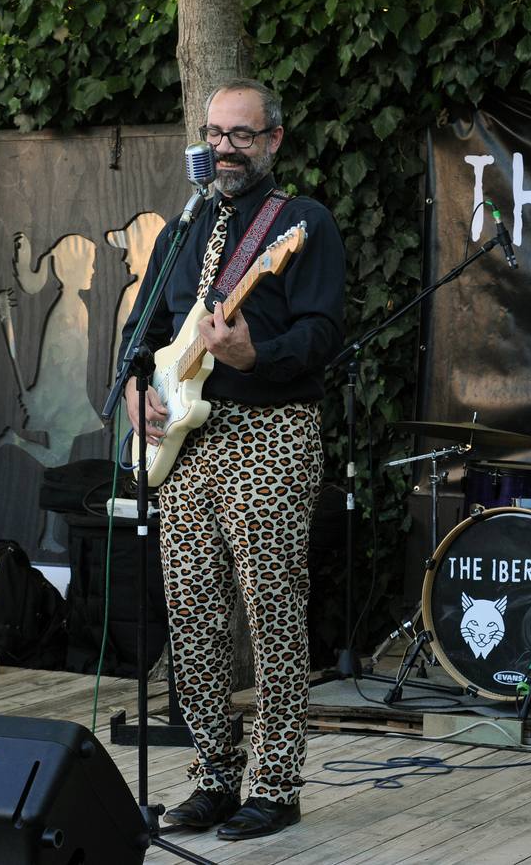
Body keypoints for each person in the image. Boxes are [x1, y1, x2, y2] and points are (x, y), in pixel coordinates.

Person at [118, 78, 345, 841]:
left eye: (242, 135)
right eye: (216, 133)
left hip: (270, 431)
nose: (225, 147)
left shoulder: (302, 224)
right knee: (191, 613)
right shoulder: (185, 225)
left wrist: (256, 353)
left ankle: (275, 784)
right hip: (185, 442)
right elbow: (144, 329)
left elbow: (321, 337)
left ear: (274, 140)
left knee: (271, 609)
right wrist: (134, 387)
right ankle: (215, 774)